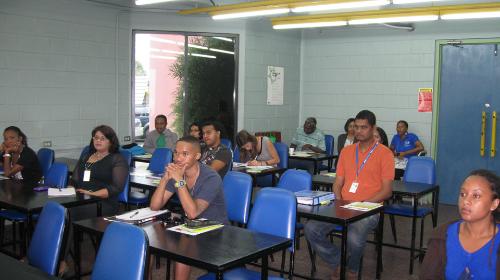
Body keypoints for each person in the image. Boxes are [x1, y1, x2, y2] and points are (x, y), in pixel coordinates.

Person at [305, 110, 394, 280]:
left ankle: (352, 270)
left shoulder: (385, 153)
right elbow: (337, 183)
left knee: (354, 235)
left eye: (364, 127)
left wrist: (360, 206)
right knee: (311, 229)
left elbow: (386, 191)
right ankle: (338, 262)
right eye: (356, 127)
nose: (359, 131)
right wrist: (339, 202)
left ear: (373, 128)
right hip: (343, 204)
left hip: (370, 208)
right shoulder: (347, 152)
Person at [150, 136, 228, 280]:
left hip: (215, 231)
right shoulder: (177, 172)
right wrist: (165, 179)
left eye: (185, 154)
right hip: (191, 227)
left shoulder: (211, 177)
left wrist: (179, 181)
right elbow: (155, 206)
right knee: (149, 240)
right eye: (176, 153)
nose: (178, 158)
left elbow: (192, 212)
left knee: (183, 251)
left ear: (197, 156)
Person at [60, 125, 129, 276]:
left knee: (68, 213)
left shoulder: (117, 159)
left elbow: (115, 188)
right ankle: (44, 253)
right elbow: (75, 179)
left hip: (103, 203)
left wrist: (92, 193)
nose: (98, 141)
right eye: (95, 137)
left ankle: (61, 261)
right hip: (82, 198)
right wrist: (68, 190)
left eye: (102, 138)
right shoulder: (87, 156)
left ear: (111, 141)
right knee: (55, 210)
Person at [420, 169, 500, 280]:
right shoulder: (441, 236)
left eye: (476, 196)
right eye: (463, 194)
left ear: (494, 204)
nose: (466, 201)